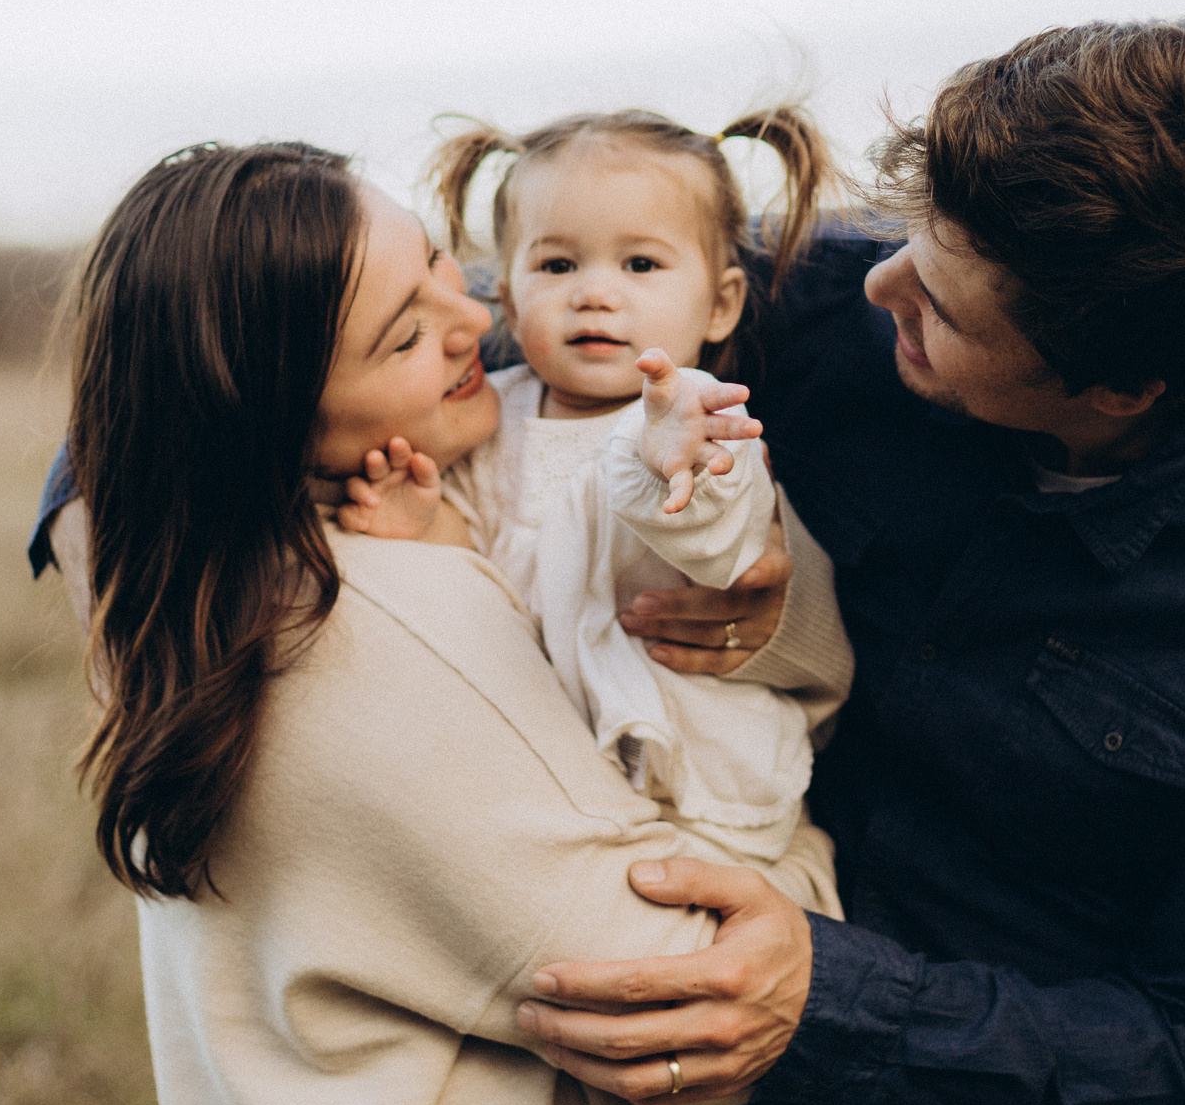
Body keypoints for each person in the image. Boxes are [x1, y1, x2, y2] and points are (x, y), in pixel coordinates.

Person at [509, 20, 1185, 1105]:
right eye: (912, 239)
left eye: (942, 311)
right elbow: (501, 328)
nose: (877, 286)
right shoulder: (802, 306)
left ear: (1117, 390)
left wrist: (827, 1000)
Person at [41, 140, 860, 1105]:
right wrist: (809, 858)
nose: (477, 319)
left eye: (441, 266)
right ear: (273, 419)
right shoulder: (368, 631)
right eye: (406, 333)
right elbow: (691, 983)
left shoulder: (188, 596)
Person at [337, 108, 843, 889]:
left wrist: (681, 460)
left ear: (720, 303)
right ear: (504, 291)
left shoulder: (698, 417)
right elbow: (482, 592)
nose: (596, 295)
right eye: (558, 266)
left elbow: (724, 539)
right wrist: (431, 526)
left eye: (640, 265)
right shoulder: (487, 419)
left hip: (699, 780)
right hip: (548, 776)